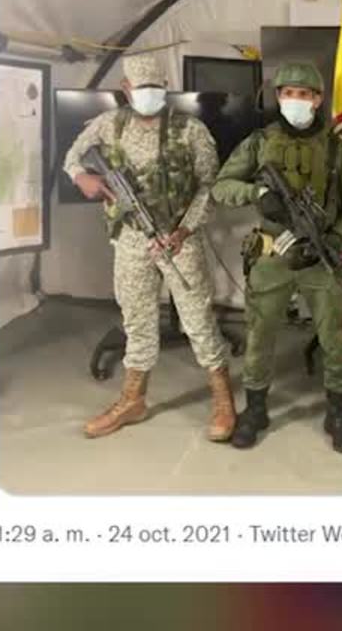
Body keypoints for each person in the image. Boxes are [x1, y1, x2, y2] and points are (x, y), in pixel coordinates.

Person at [62, 54, 233, 442]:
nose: (150, 95)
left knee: (198, 318)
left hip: (179, 239)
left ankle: (223, 400)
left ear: (166, 88)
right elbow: (73, 156)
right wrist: (81, 177)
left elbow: (210, 187)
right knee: (137, 319)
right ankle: (132, 400)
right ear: (126, 89)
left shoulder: (191, 130)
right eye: (142, 89)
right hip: (131, 239)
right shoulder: (110, 124)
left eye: (156, 88)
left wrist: (185, 229)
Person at [211, 61, 342, 453]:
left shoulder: (339, 149)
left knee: (333, 338)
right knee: (260, 335)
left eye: (304, 94)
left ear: (318, 99)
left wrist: (336, 236)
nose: (295, 100)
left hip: (321, 255)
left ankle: (337, 412)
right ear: (278, 97)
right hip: (272, 257)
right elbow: (221, 186)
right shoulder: (259, 142)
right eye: (288, 93)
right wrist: (257, 194)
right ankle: (256, 410)